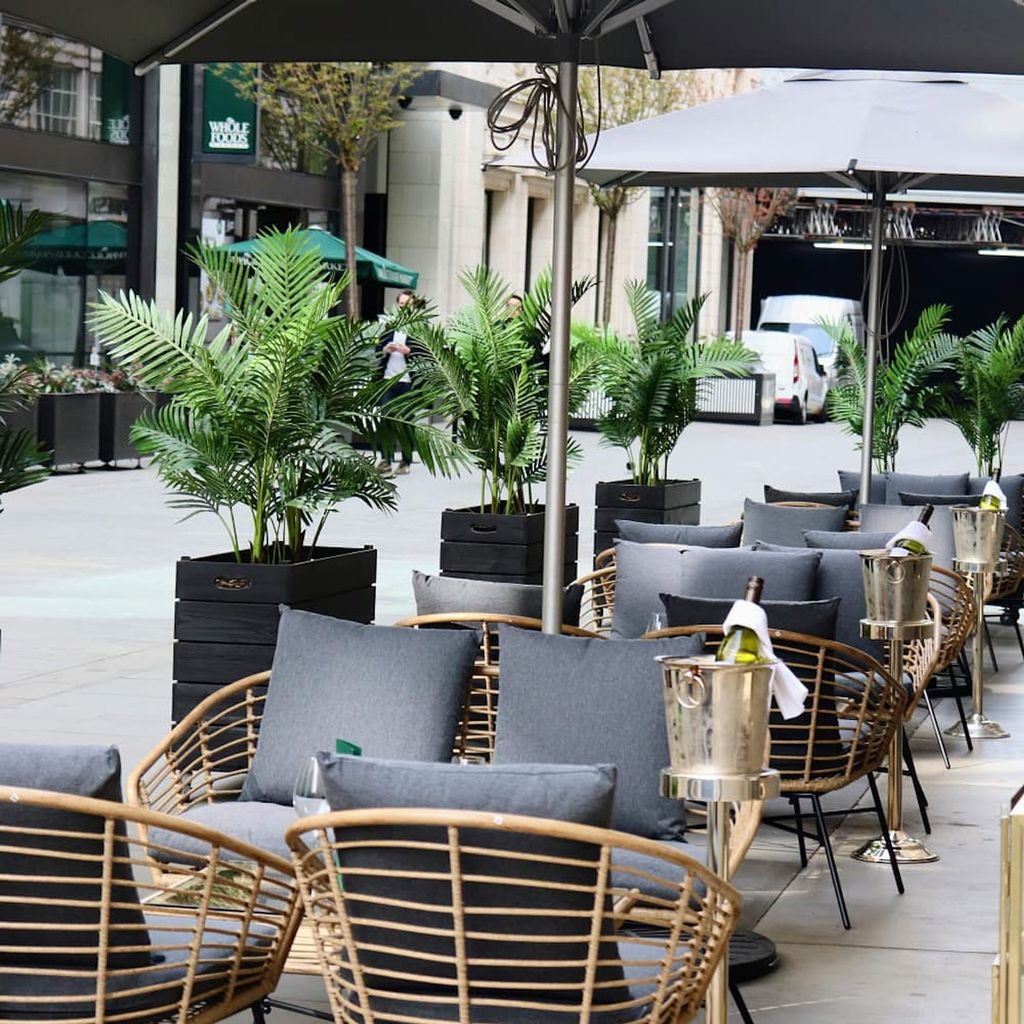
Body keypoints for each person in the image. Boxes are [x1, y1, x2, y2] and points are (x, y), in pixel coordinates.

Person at [376, 289, 417, 476]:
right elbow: (378, 348)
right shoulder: (389, 325)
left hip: (407, 382)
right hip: (388, 380)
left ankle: (406, 461)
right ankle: (386, 459)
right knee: (385, 420)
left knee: (406, 422)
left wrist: (409, 351)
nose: (404, 308)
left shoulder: (418, 328)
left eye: (408, 305)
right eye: (401, 304)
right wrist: (386, 349)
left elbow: (425, 353)